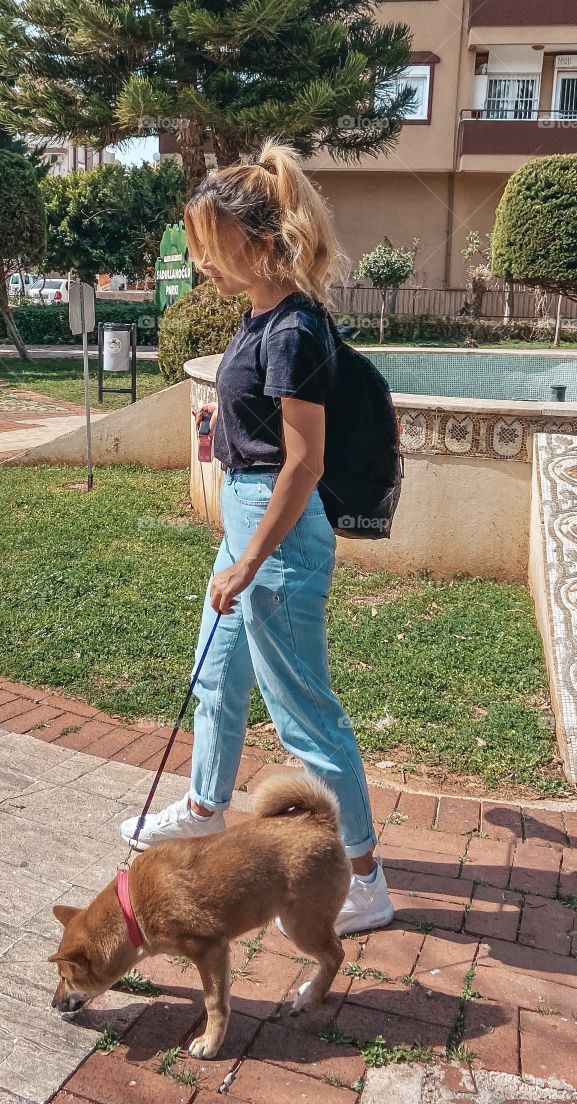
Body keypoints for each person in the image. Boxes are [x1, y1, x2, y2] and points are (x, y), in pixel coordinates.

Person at [120, 140, 393, 936]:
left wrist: (249, 559)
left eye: (211, 245)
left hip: (278, 538)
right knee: (216, 676)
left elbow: (303, 464)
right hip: (249, 526)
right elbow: (269, 435)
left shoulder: (294, 329)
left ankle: (366, 878)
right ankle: (206, 805)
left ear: (261, 242)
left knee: (305, 714)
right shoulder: (259, 316)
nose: (201, 262)